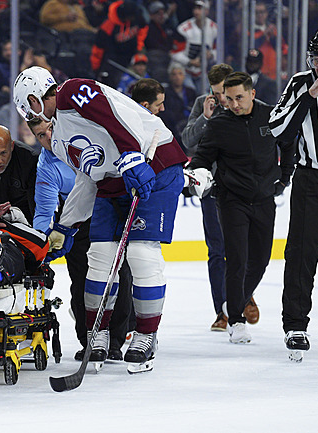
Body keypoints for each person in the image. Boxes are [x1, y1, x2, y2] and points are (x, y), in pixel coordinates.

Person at [13, 66, 187, 372]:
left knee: (141, 253)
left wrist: (132, 154)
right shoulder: (57, 140)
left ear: (36, 94)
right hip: (115, 180)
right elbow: (87, 179)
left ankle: (147, 335)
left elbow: (117, 116)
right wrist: (66, 226)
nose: (30, 118)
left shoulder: (71, 91)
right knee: (100, 256)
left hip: (154, 163)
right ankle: (99, 333)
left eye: (28, 108)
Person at [188, 71, 295, 344]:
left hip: (264, 199)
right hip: (231, 200)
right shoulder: (219, 124)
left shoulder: (270, 116)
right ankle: (235, 319)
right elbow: (202, 157)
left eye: (239, 98)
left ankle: (234, 302)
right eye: (230, 98)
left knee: (260, 260)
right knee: (236, 260)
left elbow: (288, 145)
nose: (234, 104)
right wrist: (198, 175)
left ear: (252, 94)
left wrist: (283, 179)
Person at [28, 116, 134, 361]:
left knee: (119, 275)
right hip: (75, 223)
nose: (49, 139)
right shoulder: (46, 165)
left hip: (111, 207)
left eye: (50, 130)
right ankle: (89, 340)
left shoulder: (83, 138)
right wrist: (39, 248)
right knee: (81, 281)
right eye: (40, 136)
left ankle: (116, 341)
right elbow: (44, 212)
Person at [269, 26, 318, 361]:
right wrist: (308, 98)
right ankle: (295, 325)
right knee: (302, 253)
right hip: (310, 182)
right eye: (317, 59)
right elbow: (278, 130)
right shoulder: (301, 83)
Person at [181, 63, 234, 331]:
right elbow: (188, 140)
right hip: (212, 188)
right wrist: (205, 117)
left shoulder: (246, 102)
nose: (221, 98)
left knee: (242, 249)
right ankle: (222, 311)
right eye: (216, 92)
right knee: (216, 251)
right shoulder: (205, 103)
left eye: (224, 91)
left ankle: (242, 298)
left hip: (241, 188)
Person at [171, 0, 218, 94]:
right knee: (189, 93)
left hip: (203, 71)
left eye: (200, 9)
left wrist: (211, 54)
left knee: (207, 95)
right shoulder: (183, 29)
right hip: (184, 70)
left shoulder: (214, 28)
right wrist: (190, 62)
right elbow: (175, 53)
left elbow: (218, 50)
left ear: (207, 11)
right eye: (195, 8)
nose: (196, 12)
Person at [161, 62, 196, 146]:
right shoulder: (165, 93)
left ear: (184, 76)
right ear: (170, 77)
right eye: (174, 74)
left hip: (188, 126)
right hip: (172, 128)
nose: (177, 77)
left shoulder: (190, 92)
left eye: (180, 74)